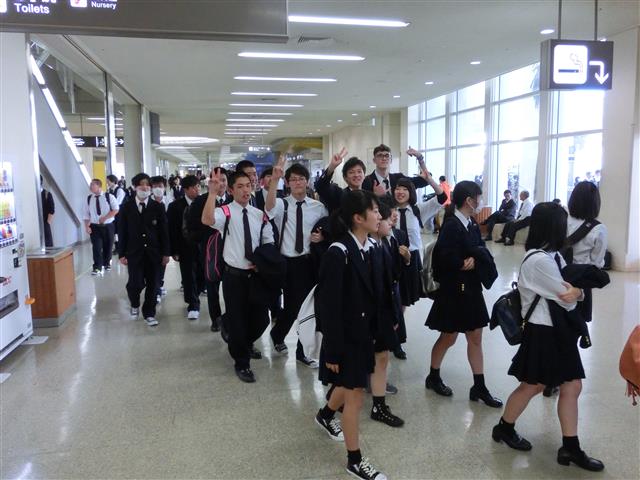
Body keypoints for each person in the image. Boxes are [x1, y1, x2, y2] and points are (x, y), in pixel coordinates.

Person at [492, 202, 604, 472]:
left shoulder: (553, 256)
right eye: (562, 224)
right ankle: (505, 427)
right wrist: (579, 292)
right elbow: (566, 298)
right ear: (553, 227)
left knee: (570, 386)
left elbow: (569, 290)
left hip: (556, 331)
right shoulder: (540, 260)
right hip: (543, 332)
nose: (566, 229)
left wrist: (576, 292)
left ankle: (570, 446)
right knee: (533, 385)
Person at [314, 190, 388, 480]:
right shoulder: (338, 252)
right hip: (345, 338)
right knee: (355, 394)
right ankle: (354, 460)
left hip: (365, 333)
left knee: (350, 384)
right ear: (358, 218)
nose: (379, 215)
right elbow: (328, 307)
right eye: (374, 211)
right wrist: (332, 351)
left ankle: (325, 415)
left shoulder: (371, 246)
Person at [424, 181, 502, 408]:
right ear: (469, 200)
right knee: (448, 336)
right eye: (479, 197)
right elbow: (443, 257)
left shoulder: (471, 224)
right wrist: (461, 263)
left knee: (475, 337)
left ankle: (479, 386)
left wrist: (475, 259)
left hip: (471, 289)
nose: (481, 201)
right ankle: (433, 375)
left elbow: (479, 249)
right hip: (454, 290)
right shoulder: (452, 225)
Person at [201, 169, 275, 383]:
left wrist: (263, 263)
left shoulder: (258, 214)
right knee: (238, 321)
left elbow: (268, 242)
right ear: (231, 190)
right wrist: (212, 193)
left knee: (261, 319)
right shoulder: (225, 212)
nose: (245, 190)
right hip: (234, 277)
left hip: (256, 276)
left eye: (248, 186)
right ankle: (242, 362)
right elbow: (207, 219)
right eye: (240, 186)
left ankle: (241, 340)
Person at [266, 158, 328, 367]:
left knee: (309, 307)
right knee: (293, 306)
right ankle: (278, 333)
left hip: (310, 262)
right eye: (293, 179)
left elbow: (327, 229)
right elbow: (268, 208)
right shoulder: (282, 204)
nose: (298, 182)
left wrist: (322, 237)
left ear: (307, 182)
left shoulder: (318, 207)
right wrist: (274, 181)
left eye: (301, 178)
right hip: (288, 262)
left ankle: (303, 351)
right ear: (288, 183)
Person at [368, 199, 405, 428]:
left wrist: (393, 316)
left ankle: (379, 405)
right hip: (372, 316)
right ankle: (328, 411)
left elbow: (391, 281)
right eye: (384, 217)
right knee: (362, 364)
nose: (392, 221)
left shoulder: (383, 244)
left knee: (381, 357)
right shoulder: (367, 249)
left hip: (383, 313)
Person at [117, 173, 170, 327]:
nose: (145, 188)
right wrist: (121, 254)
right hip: (134, 253)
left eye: (147, 185)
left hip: (154, 253)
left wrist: (166, 253)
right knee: (135, 283)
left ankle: (149, 313)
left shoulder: (157, 207)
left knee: (154, 284)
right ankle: (134, 303)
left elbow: (164, 232)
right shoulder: (126, 208)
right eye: (141, 185)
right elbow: (122, 232)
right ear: (135, 187)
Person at [187, 167, 231, 332]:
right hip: (210, 252)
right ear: (209, 183)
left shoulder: (233, 201)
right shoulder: (200, 201)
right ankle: (216, 318)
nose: (221, 184)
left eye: (223, 180)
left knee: (231, 287)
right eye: (216, 181)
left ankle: (230, 318)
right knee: (212, 286)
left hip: (231, 251)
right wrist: (206, 239)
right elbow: (192, 226)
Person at [393, 175, 446, 307]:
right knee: (393, 295)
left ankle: (400, 318)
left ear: (411, 192)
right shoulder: (389, 210)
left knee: (406, 298)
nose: (400, 192)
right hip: (393, 255)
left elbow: (442, 197)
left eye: (405, 189)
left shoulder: (418, 210)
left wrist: (429, 180)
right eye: (398, 188)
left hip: (412, 258)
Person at [566, 181, 607, 322]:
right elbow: (597, 263)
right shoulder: (598, 228)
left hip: (558, 274)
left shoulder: (562, 219)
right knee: (578, 322)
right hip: (580, 280)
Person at [167, 175, 203, 320]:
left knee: (201, 275)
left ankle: (195, 294)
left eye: (198, 186)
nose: (197, 190)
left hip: (202, 246)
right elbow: (172, 230)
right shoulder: (175, 206)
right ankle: (193, 305)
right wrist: (174, 250)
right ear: (186, 190)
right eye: (194, 187)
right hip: (184, 247)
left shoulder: (204, 202)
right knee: (188, 276)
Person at [83, 178, 119, 275]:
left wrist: (105, 217)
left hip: (108, 226)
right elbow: (86, 214)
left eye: (93, 185)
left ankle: (107, 263)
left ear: (99, 186)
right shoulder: (89, 198)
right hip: (95, 227)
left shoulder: (109, 196)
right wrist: (87, 226)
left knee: (108, 246)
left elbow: (116, 209)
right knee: (96, 247)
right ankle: (97, 267)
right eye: (90, 185)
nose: (90, 186)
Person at [361, 145, 430, 196]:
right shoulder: (367, 181)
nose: (384, 158)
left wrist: (419, 158)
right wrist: (375, 196)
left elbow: (425, 180)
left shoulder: (398, 178)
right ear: (374, 160)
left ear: (391, 160)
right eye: (380, 155)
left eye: (387, 155)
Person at [315, 147, 365, 214]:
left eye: (359, 171)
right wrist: (332, 166)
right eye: (351, 172)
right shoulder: (338, 194)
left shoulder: (369, 196)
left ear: (364, 175)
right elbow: (320, 187)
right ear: (345, 177)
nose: (356, 175)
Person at [40, 175, 55, 247]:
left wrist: (47, 222)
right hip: (34, 223)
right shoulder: (32, 194)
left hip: (45, 222)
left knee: (48, 243)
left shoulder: (47, 194)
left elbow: (51, 210)